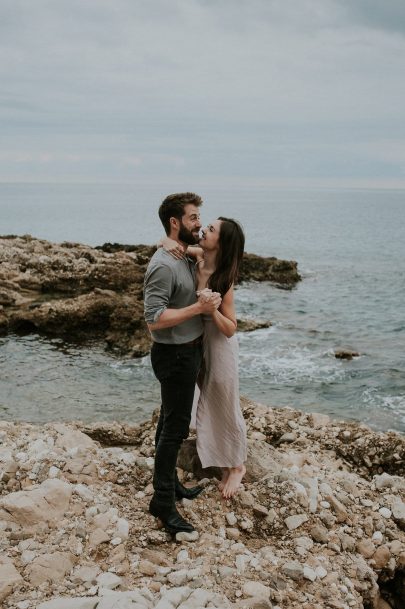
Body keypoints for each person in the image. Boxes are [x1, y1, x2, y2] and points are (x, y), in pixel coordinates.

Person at [143, 192, 222, 536]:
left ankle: (170, 485)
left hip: (187, 352)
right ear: (175, 222)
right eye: (193, 218)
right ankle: (162, 502)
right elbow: (153, 318)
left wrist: (172, 242)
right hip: (173, 355)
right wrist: (199, 311)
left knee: (169, 422)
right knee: (175, 430)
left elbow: (209, 252)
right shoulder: (163, 264)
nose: (199, 223)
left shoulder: (184, 255)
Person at [161, 216, 247, 499]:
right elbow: (174, 245)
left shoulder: (225, 279)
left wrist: (212, 311)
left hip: (220, 348)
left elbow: (231, 328)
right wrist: (164, 241)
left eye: (211, 230)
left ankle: (237, 466)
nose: (204, 229)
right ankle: (221, 461)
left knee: (225, 404)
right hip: (197, 345)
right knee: (207, 402)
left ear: (221, 243)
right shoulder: (198, 257)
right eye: (207, 226)